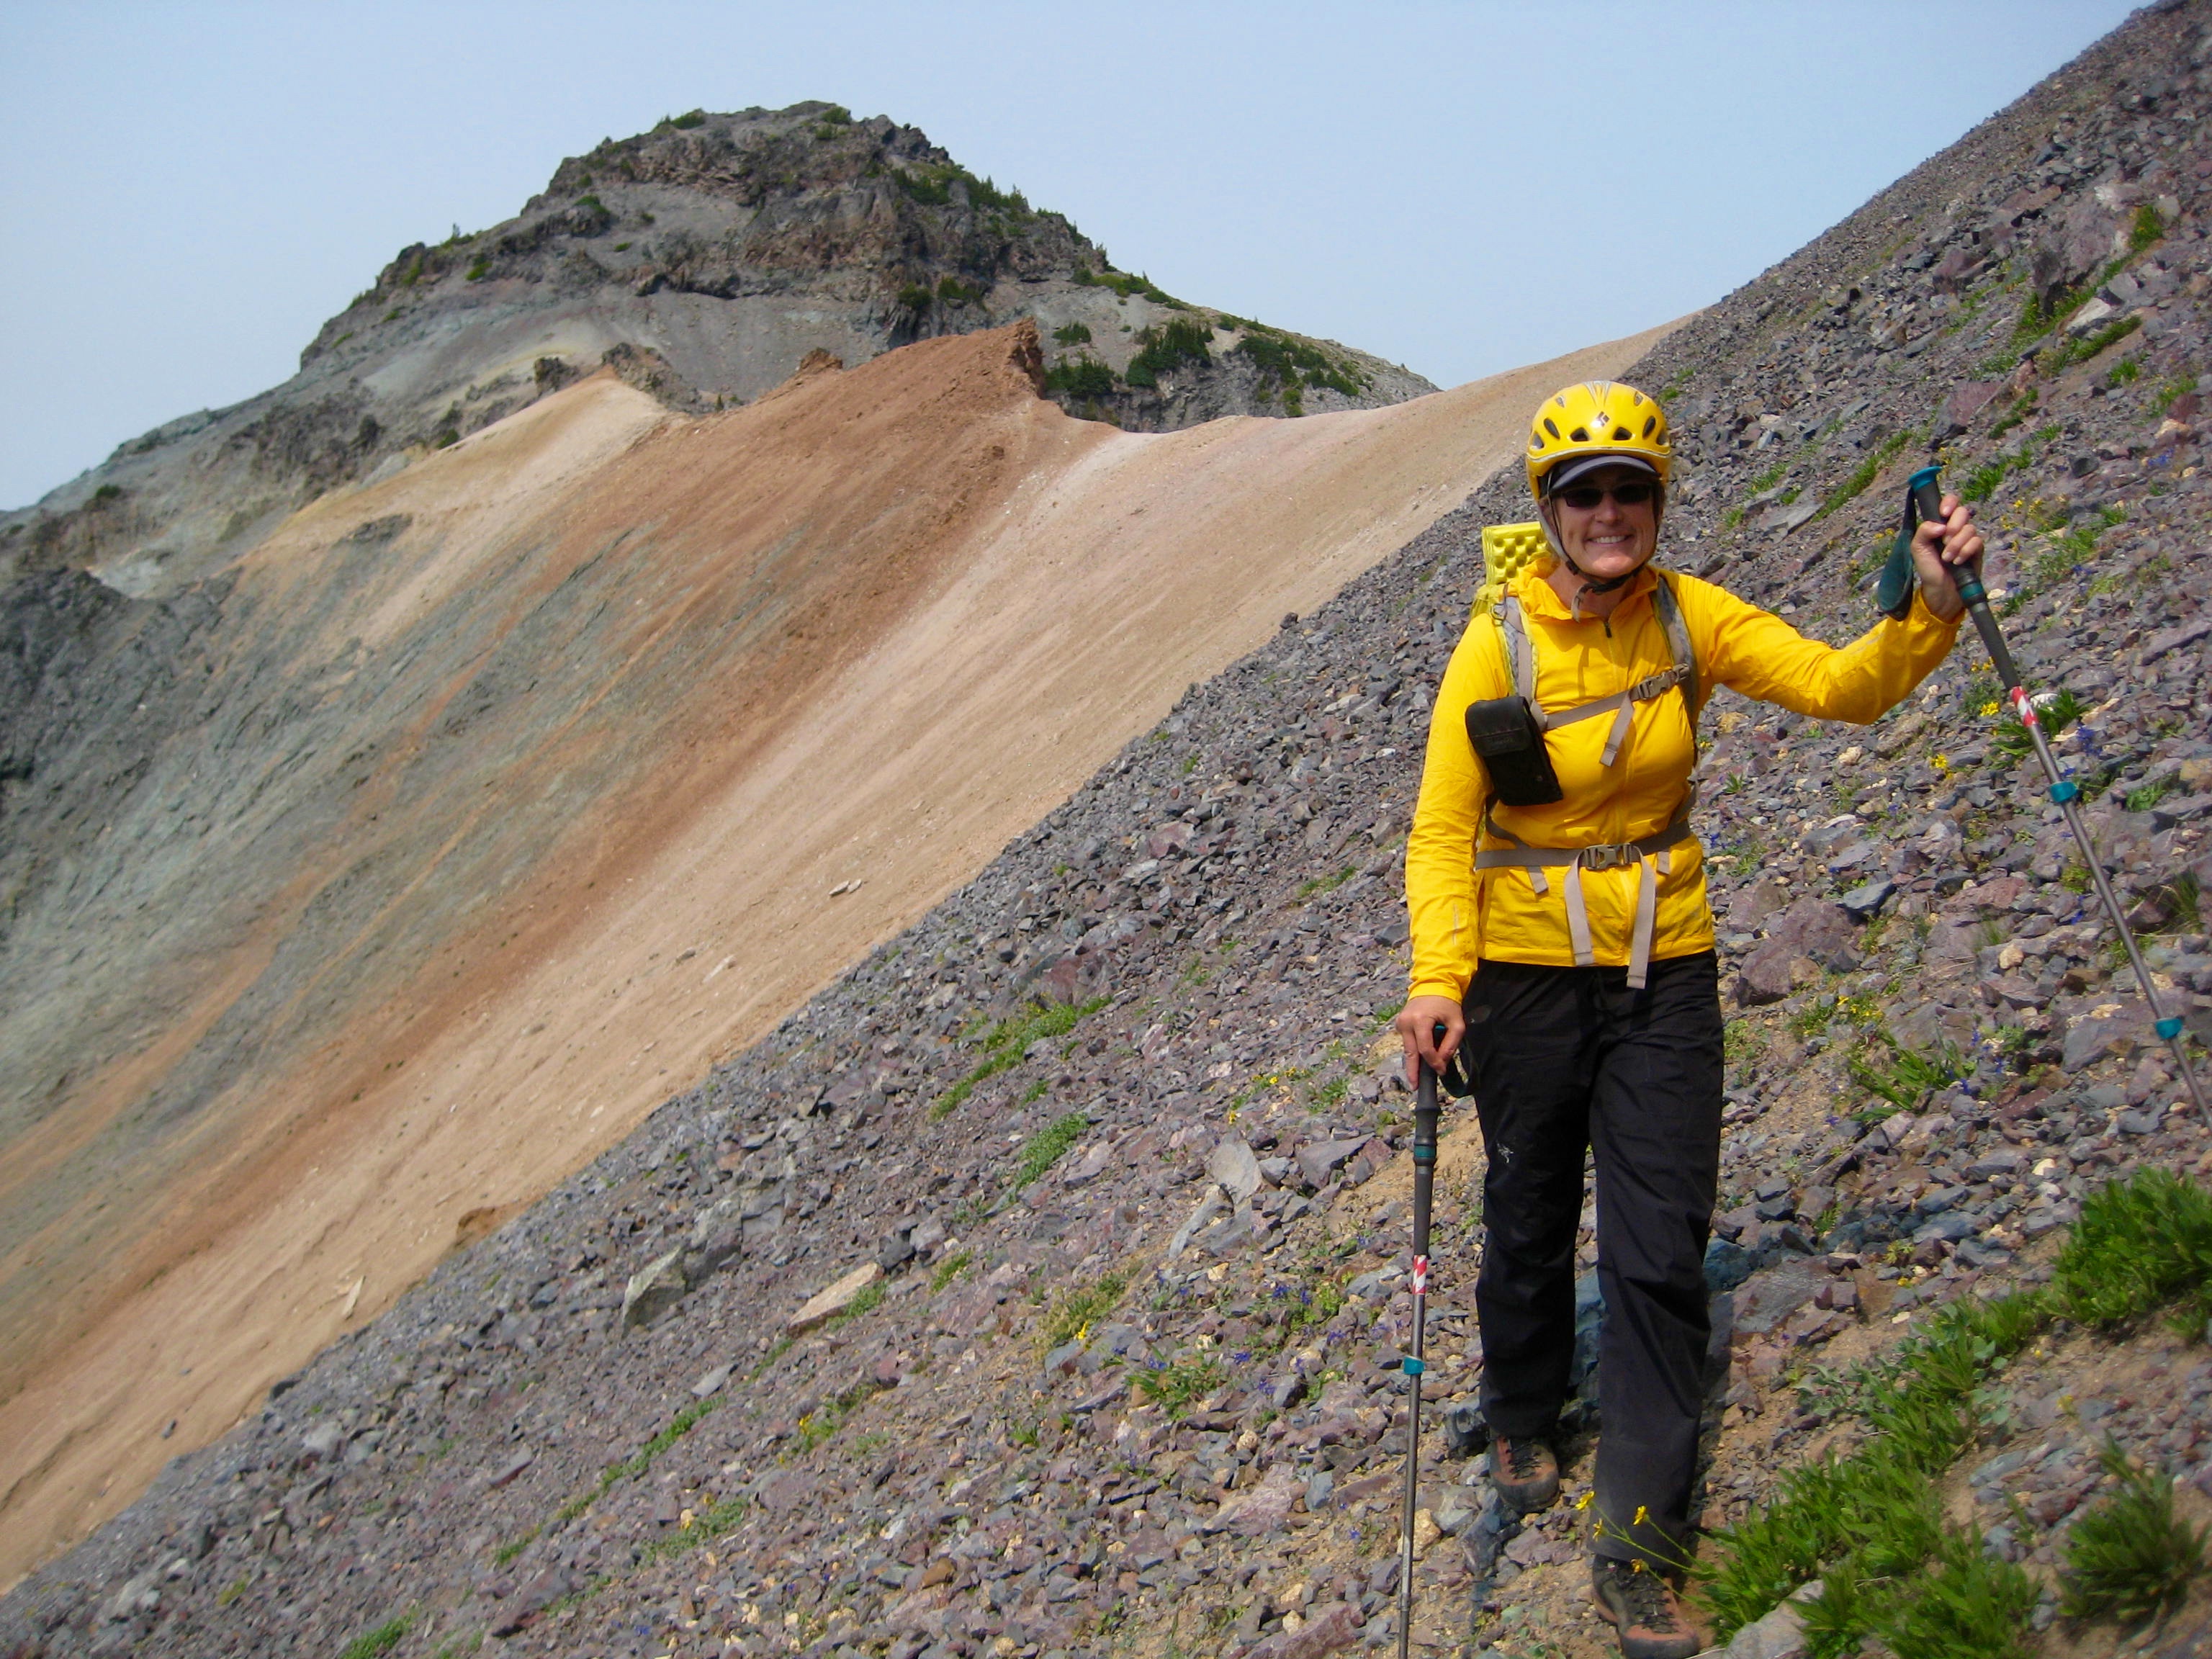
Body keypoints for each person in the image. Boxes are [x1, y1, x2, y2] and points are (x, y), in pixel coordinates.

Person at [1394, 381, 1981, 1659]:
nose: (1610, 512)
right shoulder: (1496, 643)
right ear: (1549, 510)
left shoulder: (1688, 615)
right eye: (1585, 494)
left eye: (1632, 490)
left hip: (1665, 967)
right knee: (1528, 1208)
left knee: (1659, 1250)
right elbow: (1443, 831)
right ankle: (1520, 1408)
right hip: (1522, 977)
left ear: (1658, 502)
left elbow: (1839, 685)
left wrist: (1929, 606)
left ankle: (1642, 1541)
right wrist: (1439, 979)